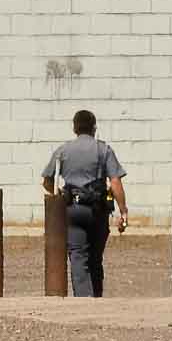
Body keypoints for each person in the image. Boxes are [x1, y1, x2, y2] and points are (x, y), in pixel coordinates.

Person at [40, 109, 129, 298]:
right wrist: (123, 212)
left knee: (78, 256)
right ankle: (96, 297)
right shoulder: (103, 149)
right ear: (94, 128)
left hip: (73, 209)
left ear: (74, 128)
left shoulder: (62, 151)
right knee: (95, 258)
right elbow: (115, 182)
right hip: (97, 211)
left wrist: (63, 194)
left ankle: (84, 300)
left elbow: (47, 181)